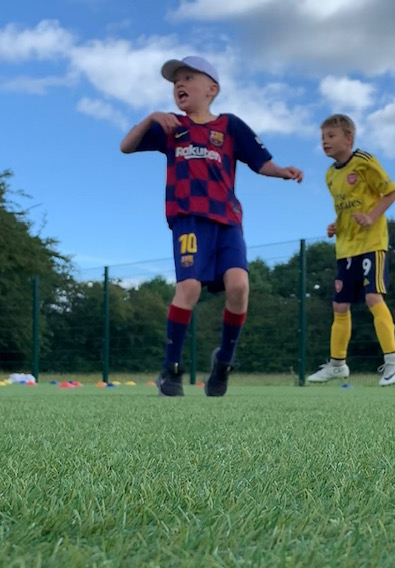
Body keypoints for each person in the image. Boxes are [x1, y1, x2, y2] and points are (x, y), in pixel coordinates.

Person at [120, 55, 303, 397]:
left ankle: (223, 363)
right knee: (189, 288)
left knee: (239, 287)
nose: (179, 84)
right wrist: (149, 119)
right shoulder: (171, 126)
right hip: (189, 219)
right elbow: (125, 146)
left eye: (188, 77)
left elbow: (261, 162)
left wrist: (283, 172)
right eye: (176, 81)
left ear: (212, 88)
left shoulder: (230, 126)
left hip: (228, 221)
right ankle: (171, 370)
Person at [307, 114, 395, 386]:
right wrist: (335, 226)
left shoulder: (364, 162)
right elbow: (347, 207)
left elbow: (390, 193)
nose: (325, 142)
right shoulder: (330, 175)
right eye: (323, 137)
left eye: (331, 136)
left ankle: (393, 360)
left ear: (348, 138)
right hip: (346, 249)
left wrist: (372, 217)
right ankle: (337, 364)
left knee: (373, 297)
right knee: (339, 305)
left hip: (371, 244)